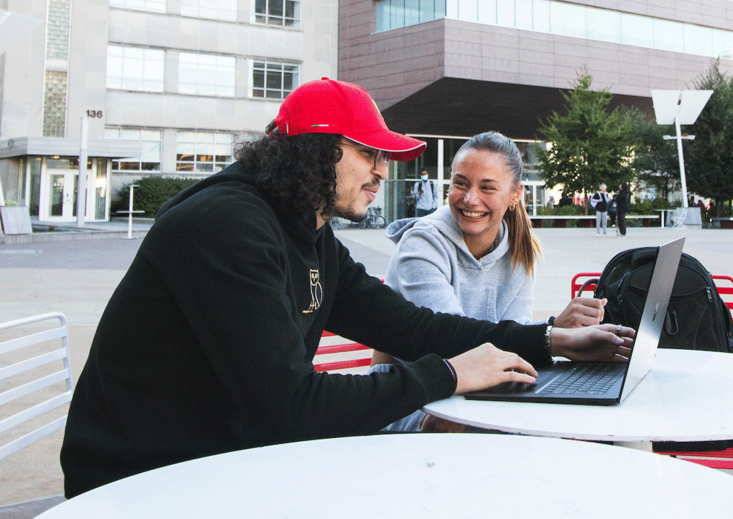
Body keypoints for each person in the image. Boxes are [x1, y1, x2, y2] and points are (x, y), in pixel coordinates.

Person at [59, 78, 633, 497]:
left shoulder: (308, 232)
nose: (382, 170)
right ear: (313, 149)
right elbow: (291, 407)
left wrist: (552, 340)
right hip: (144, 479)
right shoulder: (225, 227)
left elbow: (411, 325)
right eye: (367, 152)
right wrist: (451, 373)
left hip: (229, 454)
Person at [376, 131, 607, 431]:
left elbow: (513, 352)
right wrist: (553, 336)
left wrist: (554, 330)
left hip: (477, 392)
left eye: (487, 188)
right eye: (460, 183)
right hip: (411, 395)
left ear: (515, 194)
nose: (470, 199)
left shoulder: (521, 251)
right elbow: (450, 343)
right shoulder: (421, 245)